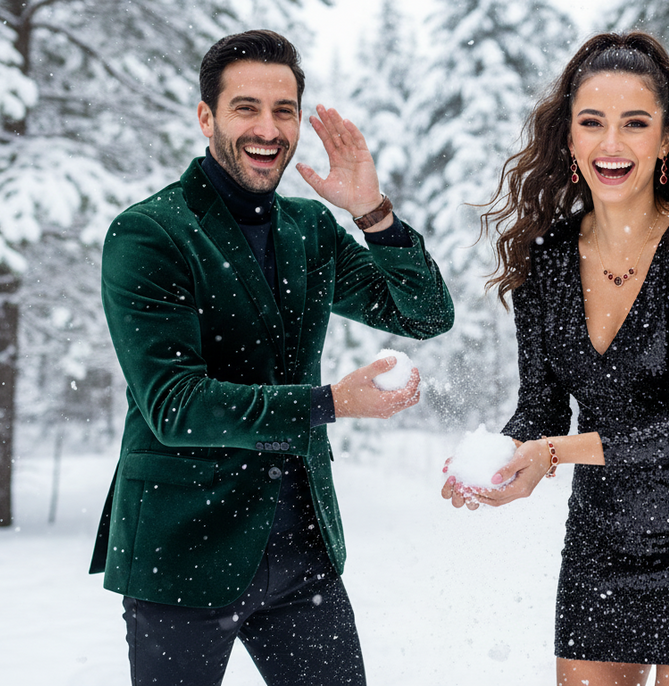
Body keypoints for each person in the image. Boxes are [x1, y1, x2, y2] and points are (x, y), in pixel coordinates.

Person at [89, 30, 453, 685]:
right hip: (183, 551)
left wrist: (373, 212)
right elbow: (176, 407)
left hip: (298, 550)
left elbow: (423, 314)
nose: (268, 127)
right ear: (207, 117)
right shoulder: (150, 233)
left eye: (284, 110)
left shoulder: (309, 229)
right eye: (246, 107)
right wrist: (332, 402)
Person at [441, 32, 669, 686]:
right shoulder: (545, 259)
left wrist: (556, 454)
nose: (611, 144)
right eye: (592, 122)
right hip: (601, 545)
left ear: (665, 141)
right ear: (568, 137)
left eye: (635, 123)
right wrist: (505, 459)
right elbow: (540, 409)